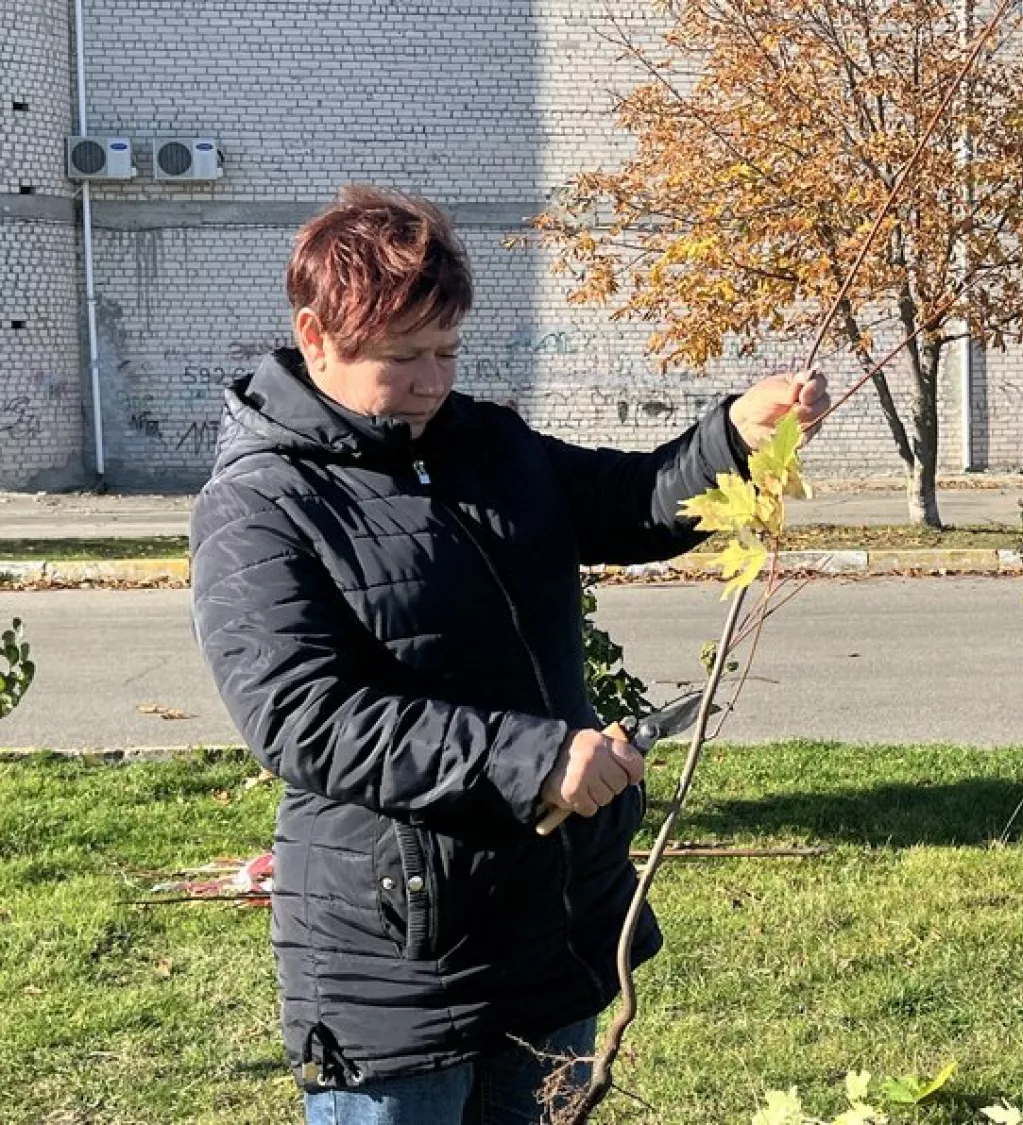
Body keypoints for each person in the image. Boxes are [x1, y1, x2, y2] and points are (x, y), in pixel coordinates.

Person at [190, 185, 828, 1125]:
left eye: (446, 350)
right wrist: (536, 762)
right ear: (316, 336)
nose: (431, 380)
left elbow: (628, 499)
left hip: (546, 918)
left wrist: (732, 437)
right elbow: (303, 717)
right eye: (401, 357)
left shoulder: (485, 445)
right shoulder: (260, 503)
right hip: (396, 949)